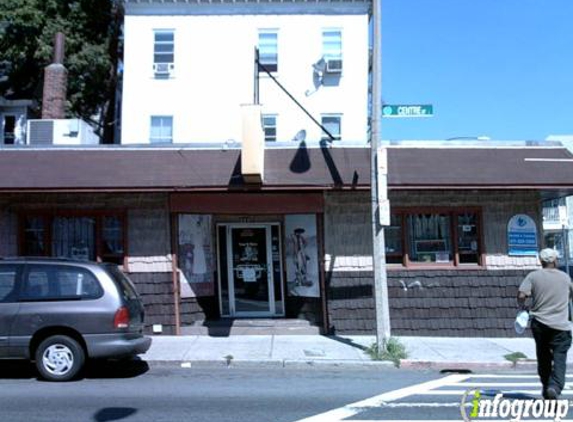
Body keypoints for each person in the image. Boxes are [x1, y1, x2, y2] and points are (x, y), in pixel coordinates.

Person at [517, 248, 573, 400]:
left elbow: (522, 294)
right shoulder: (565, 277)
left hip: (540, 324)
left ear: (541, 261)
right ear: (555, 261)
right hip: (561, 325)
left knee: (543, 356)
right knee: (560, 357)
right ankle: (554, 386)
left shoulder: (533, 276)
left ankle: (546, 385)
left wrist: (523, 306)